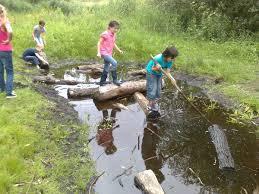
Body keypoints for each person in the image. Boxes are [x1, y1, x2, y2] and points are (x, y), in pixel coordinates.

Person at [146, 46, 178, 118]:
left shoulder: (170, 61)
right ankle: (149, 105)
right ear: (167, 55)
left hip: (159, 74)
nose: (173, 59)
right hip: (151, 72)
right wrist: (157, 68)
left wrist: (172, 79)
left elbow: (168, 72)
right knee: (152, 88)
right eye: (172, 58)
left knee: (158, 89)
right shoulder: (158, 59)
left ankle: (154, 103)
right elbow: (153, 69)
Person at [97, 20, 123, 86]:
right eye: (115, 28)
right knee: (114, 63)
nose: (116, 30)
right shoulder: (105, 34)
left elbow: (113, 43)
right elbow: (99, 43)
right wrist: (98, 52)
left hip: (109, 53)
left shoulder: (114, 35)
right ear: (110, 27)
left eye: (117, 28)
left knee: (106, 67)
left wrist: (119, 50)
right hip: (104, 53)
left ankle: (102, 82)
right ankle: (115, 80)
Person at [0, 4, 16, 98]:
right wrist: (8, 40)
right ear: (3, 11)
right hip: (5, 50)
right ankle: (9, 93)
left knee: (0, 71)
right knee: (9, 71)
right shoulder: (5, 21)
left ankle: (2, 88)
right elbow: (10, 31)